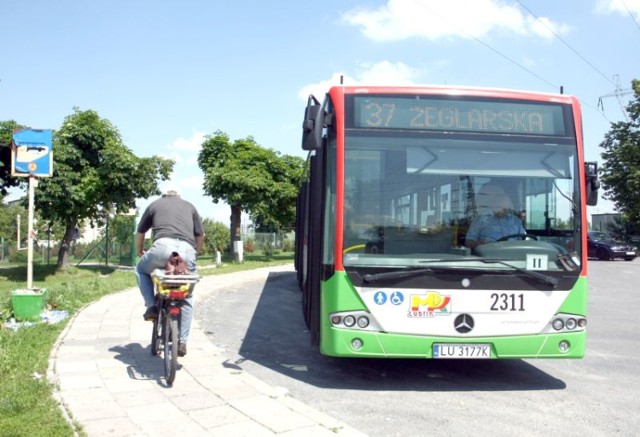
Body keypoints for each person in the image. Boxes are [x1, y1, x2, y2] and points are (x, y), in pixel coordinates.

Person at [135, 188, 205, 357]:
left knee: (140, 270)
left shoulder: (155, 205)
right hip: (187, 250)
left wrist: (139, 250)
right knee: (186, 295)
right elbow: (201, 235)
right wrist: (196, 252)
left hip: (162, 247)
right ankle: (182, 341)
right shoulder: (190, 206)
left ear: (164, 196)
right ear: (179, 196)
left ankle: (151, 306)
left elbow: (140, 232)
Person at [465, 184, 525, 250]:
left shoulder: (516, 221)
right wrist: (481, 244)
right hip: (488, 256)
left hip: (513, 256)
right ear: (493, 205)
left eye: (505, 208)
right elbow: (468, 243)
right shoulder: (481, 220)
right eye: (499, 207)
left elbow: (524, 240)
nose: (502, 211)